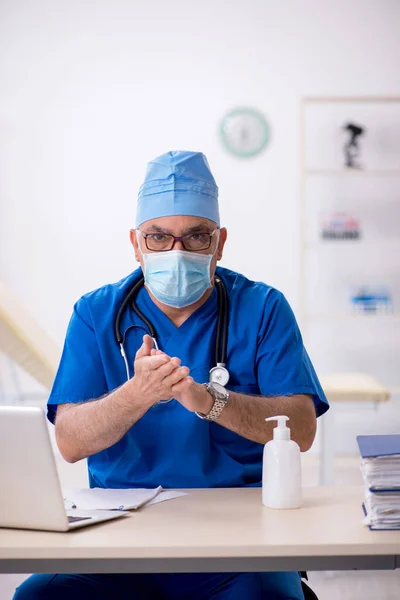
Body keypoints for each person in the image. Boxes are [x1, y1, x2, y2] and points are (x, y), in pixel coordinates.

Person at [14, 150, 329, 600]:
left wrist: (208, 400)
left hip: (239, 539)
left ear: (219, 243)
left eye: (196, 237)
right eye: (158, 237)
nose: (175, 253)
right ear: (135, 243)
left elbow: (300, 428)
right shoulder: (96, 313)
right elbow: (70, 441)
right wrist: (137, 393)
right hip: (120, 537)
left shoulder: (262, 308)